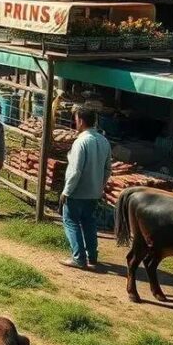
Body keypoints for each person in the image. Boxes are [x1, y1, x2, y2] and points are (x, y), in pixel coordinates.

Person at [59, 107, 112, 270]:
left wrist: (66, 191)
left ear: (80, 121)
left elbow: (75, 171)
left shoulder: (80, 142)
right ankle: (92, 256)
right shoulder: (104, 141)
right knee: (89, 222)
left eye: (75, 119)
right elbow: (108, 169)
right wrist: (100, 186)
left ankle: (78, 257)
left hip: (77, 191)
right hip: (94, 192)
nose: (75, 123)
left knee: (70, 221)